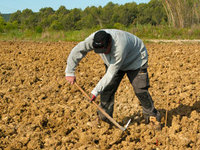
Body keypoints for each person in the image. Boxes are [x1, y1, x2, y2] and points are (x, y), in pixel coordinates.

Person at [65, 29, 161, 127]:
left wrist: (94, 92)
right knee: (107, 90)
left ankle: (152, 116)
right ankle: (104, 120)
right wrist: (69, 71)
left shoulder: (120, 46)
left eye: (105, 50)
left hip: (136, 60)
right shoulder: (93, 40)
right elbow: (78, 50)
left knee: (140, 90)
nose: (104, 53)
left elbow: (110, 74)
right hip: (113, 62)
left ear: (110, 42)